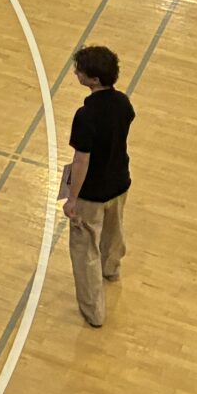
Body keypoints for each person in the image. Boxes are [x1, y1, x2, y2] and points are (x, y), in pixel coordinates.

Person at [62, 44, 134, 327]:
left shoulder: (86, 116)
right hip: (119, 182)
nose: (76, 73)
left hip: (92, 193)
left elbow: (81, 162)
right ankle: (112, 269)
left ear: (92, 79)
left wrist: (72, 199)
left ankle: (93, 311)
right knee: (114, 231)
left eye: (80, 70)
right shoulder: (124, 103)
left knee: (84, 249)